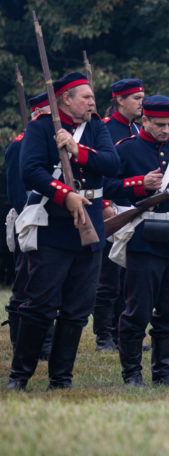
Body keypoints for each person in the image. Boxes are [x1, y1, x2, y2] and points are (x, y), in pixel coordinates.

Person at [7, 72, 120, 391]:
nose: (92, 102)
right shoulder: (41, 127)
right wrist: (65, 194)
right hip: (53, 226)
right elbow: (30, 171)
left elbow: (112, 165)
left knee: (77, 309)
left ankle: (61, 378)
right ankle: (20, 375)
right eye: (86, 97)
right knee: (39, 305)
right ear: (66, 99)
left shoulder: (96, 128)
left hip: (90, 226)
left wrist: (76, 149)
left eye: (92, 97)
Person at [106, 94, 169, 387]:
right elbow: (108, 186)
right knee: (138, 310)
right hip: (144, 238)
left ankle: (163, 372)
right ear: (145, 120)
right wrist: (139, 184)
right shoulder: (126, 148)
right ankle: (132, 373)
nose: (166, 129)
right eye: (160, 124)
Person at [93, 78, 144, 352]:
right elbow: (98, 172)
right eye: (136, 98)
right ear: (120, 100)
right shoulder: (104, 129)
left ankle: (121, 331)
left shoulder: (138, 129)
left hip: (133, 208)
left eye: (142, 97)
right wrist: (105, 204)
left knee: (129, 279)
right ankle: (104, 335)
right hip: (111, 207)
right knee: (108, 279)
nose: (141, 103)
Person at [4, 93, 54, 356]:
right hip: (30, 221)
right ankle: (20, 341)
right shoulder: (19, 145)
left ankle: (47, 341)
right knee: (25, 283)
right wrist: (29, 220)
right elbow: (16, 191)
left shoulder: (55, 142)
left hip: (52, 219)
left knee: (48, 285)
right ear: (39, 114)